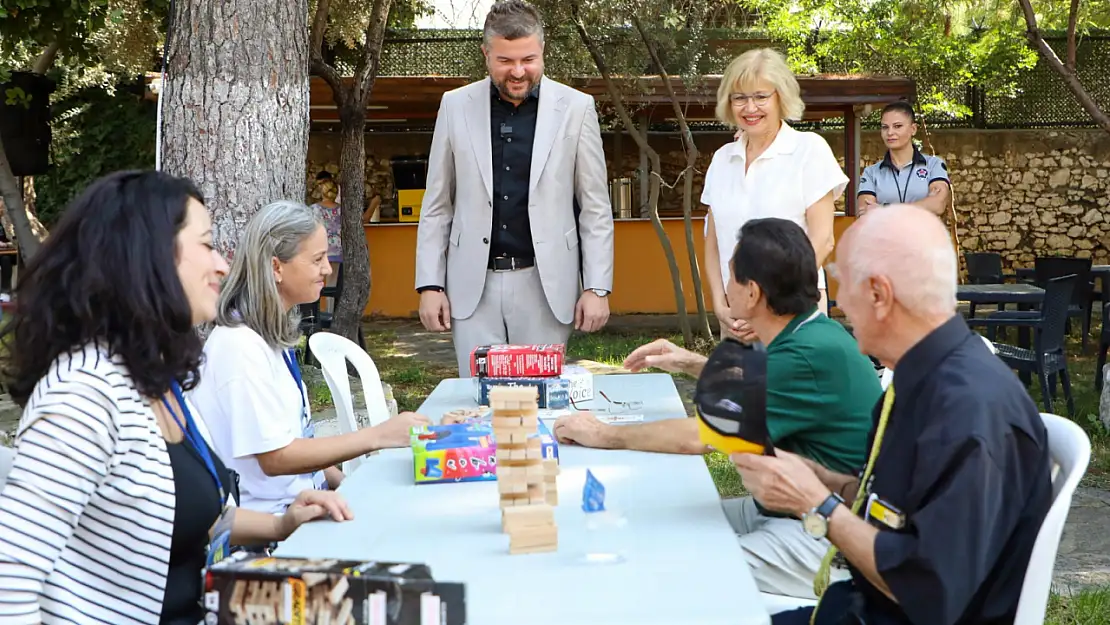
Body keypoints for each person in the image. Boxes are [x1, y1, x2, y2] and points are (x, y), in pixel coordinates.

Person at [0, 171, 352, 625]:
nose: (223, 266)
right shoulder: (83, 394)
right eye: (205, 245)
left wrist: (283, 524)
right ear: (148, 258)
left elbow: (193, 516)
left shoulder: (157, 379)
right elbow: (12, 578)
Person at [734, 205, 1053, 625]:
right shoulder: (924, 377)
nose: (840, 304)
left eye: (843, 286)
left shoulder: (970, 411)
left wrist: (816, 504)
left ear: (879, 295)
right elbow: (895, 510)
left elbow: (928, 589)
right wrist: (821, 478)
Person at [553, 217, 880, 599]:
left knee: (667, 571)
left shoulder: (805, 355)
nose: (726, 287)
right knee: (650, 523)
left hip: (826, 537)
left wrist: (604, 434)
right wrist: (689, 362)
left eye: (731, 276)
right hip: (787, 511)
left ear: (753, 292)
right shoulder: (812, 332)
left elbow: (700, 436)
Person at [414, 0, 615, 377]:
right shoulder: (454, 106)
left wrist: (597, 287)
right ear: (486, 54)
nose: (518, 71)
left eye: (528, 59)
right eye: (505, 61)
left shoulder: (576, 107)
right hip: (471, 287)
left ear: (542, 52)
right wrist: (429, 284)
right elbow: (438, 203)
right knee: (478, 403)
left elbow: (595, 208)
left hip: (545, 286)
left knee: (540, 402)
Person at [189, 201, 429, 514]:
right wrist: (377, 436)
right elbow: (277, 457)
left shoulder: (269, 334)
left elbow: (297, 438)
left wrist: (341, 483)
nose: (328, 269)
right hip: (272, 530)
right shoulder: (239, 347)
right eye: (317, 259)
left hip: (302, 507)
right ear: (276, 267)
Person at [703, 48, 847, 340]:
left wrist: (770, 308)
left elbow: (822, 240)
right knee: (738, 386)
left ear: (781, 97)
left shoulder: (809, 150)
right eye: (739, 97)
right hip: (736, 317)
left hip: (793, 314)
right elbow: (713, 241)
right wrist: (720, 303)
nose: (749, 107)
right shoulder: (721, 159)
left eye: (760, 96)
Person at [857, 102, 951, 218]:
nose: (890, 132)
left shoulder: (933, 165)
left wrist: (884, 209)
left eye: (897, 126)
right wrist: (923, 205)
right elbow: (866, 213)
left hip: (924, 236)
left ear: (913, 129)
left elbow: (937, 205)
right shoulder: (871, 172)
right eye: (885, 127)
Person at [308, 171, 343, 289]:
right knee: (332, 287)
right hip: (337, 252)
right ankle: (330, 308)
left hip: (319, 252)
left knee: (315, 284)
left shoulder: (314, 209)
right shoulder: (342, 210)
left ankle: (314, 307)